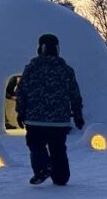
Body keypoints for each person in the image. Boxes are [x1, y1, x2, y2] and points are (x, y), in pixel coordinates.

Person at [16, 33, 85, 186]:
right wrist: (78, 115)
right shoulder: (66, 70)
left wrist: (20, 112)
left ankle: (43, 168)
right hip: (59, 120)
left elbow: (21, 92)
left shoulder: (31, 69)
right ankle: (60, 176)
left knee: (36, 145)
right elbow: (74, 94)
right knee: (58, 147)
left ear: (40, 49)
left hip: (35, 119)